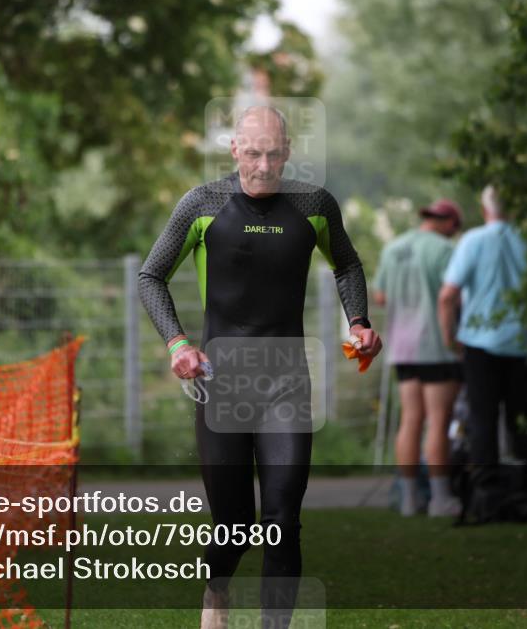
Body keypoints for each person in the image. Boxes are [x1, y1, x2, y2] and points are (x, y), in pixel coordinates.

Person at [139, 106, 381, 629]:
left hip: (286, 384)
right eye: (253, 153)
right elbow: (150, 276)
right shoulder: (201, 204)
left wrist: (358, 321)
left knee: (281, 522)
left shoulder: (313, 204)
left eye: (273, 153)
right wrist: (178, 343)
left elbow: (348, 263)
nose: (263, 165)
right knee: (233, 525)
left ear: (289, 152)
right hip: (220, 387)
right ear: (234, 150)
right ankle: (216, 590)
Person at [437, 186, 527, 471]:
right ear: (513, 210)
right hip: (523, 342)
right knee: (523, 418)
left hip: (479, 343)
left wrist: (450, 338)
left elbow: (447, 296)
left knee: (483, 417)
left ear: (485, 210)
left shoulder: (473, 241)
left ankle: (486, 484)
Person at [372, 199, 463, 517]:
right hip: (437, 346)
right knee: (438, 422)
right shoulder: (444, 250)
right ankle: (440, 500)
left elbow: (380, 296)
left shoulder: (393, 248)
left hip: (402, 348)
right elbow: (452, 296)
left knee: (410, 420)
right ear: (449, 223)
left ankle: (409, 500)